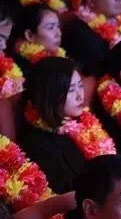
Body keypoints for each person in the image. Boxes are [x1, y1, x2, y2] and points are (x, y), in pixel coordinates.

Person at [19, 57, 115, 193]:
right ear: (50, 96)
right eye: (71, 90)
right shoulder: (38, 145)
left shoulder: (84, 122)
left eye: (80, 86)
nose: (80, 96)